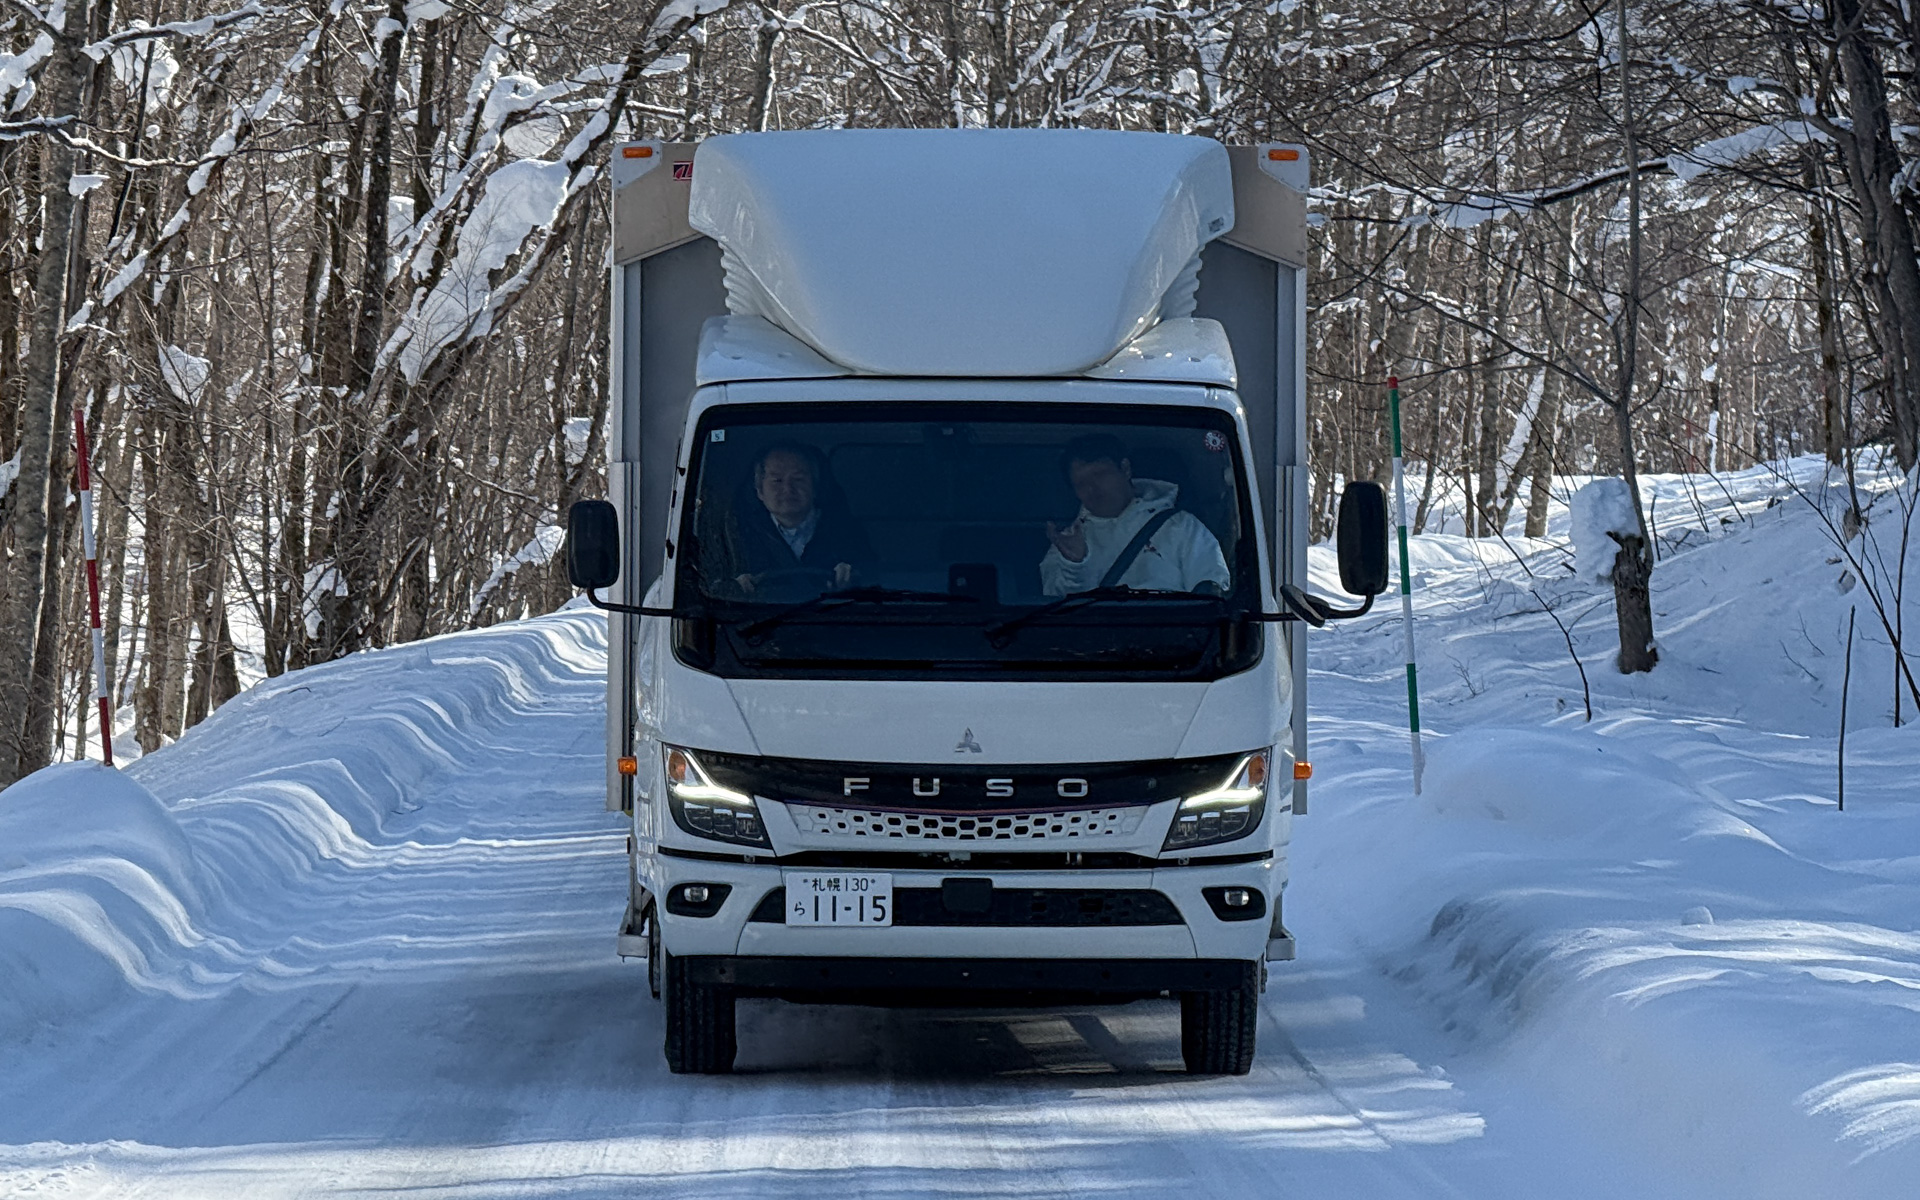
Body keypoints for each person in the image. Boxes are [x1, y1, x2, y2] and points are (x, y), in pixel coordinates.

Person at [1040, 433, 1230, 597]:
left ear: (1125, 469)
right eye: (1081, 484)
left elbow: (1212, 591)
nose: (1092, 488)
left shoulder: (1181, 526)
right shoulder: (1066, 544)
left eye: (1100, 475)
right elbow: (1058, 613)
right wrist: (1075, 565)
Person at [718, 442, 871, 595]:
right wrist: (737, 586)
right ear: (759, 491)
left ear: (815, 487)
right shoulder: (736, 536)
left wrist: (853, 578)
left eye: (798, 479)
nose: (788, 489)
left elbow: (875, 581)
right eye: (777, 480)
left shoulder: (847, 532)